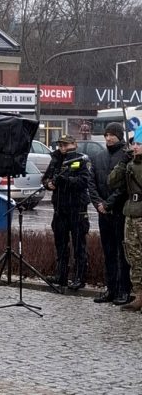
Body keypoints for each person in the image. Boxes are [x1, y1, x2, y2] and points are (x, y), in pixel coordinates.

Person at [87, 122, 132, 305]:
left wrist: (109, 203)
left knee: (122, 252)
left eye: (112, 134)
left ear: (120, 135)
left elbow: (123, 186)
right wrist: (99, 204)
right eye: (106, 135)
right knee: (109, 252)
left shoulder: (126, 156)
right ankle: (111, 289)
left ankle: (124, 290)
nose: (108, 138)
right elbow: (91, 183)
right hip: (103, 213)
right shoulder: (98, 157)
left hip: (120, 211)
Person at [42, 134, 92, 290]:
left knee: (79, 245)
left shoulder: (81, 159)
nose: (63, 147)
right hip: (60, 208)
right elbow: (45, 178)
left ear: (74, 144)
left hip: (77, 208)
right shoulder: (56, 159)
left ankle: (79, 277)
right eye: (61, 144)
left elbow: (85, 181)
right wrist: (48, 184)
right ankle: (61, 276)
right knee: (61, 244)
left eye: (66, 144)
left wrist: (66, 181)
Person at [109, 126, 142, 311]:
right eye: (134, 143)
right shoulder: (129, 163)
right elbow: (112, 182)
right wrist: (123, 163)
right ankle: (139, 295)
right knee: (133, 256)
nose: (135, 147)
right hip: (131, 212)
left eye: (139, 144)